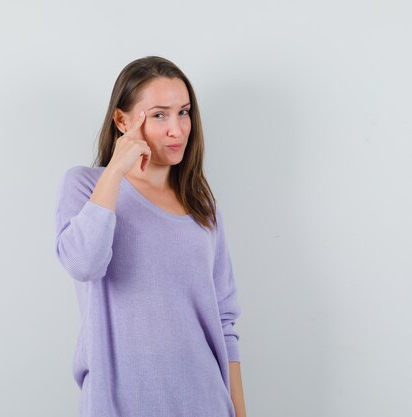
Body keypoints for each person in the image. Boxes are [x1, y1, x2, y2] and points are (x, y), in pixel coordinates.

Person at [54, 56, 247, 417]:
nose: (177, 129)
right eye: (159, 114)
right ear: (122, 120)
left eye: (184, 112)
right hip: (117, 405)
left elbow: (224, 320)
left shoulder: (202, 206)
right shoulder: (86, 186)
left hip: (205, 402)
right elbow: (83, 263)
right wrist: (115, 172)